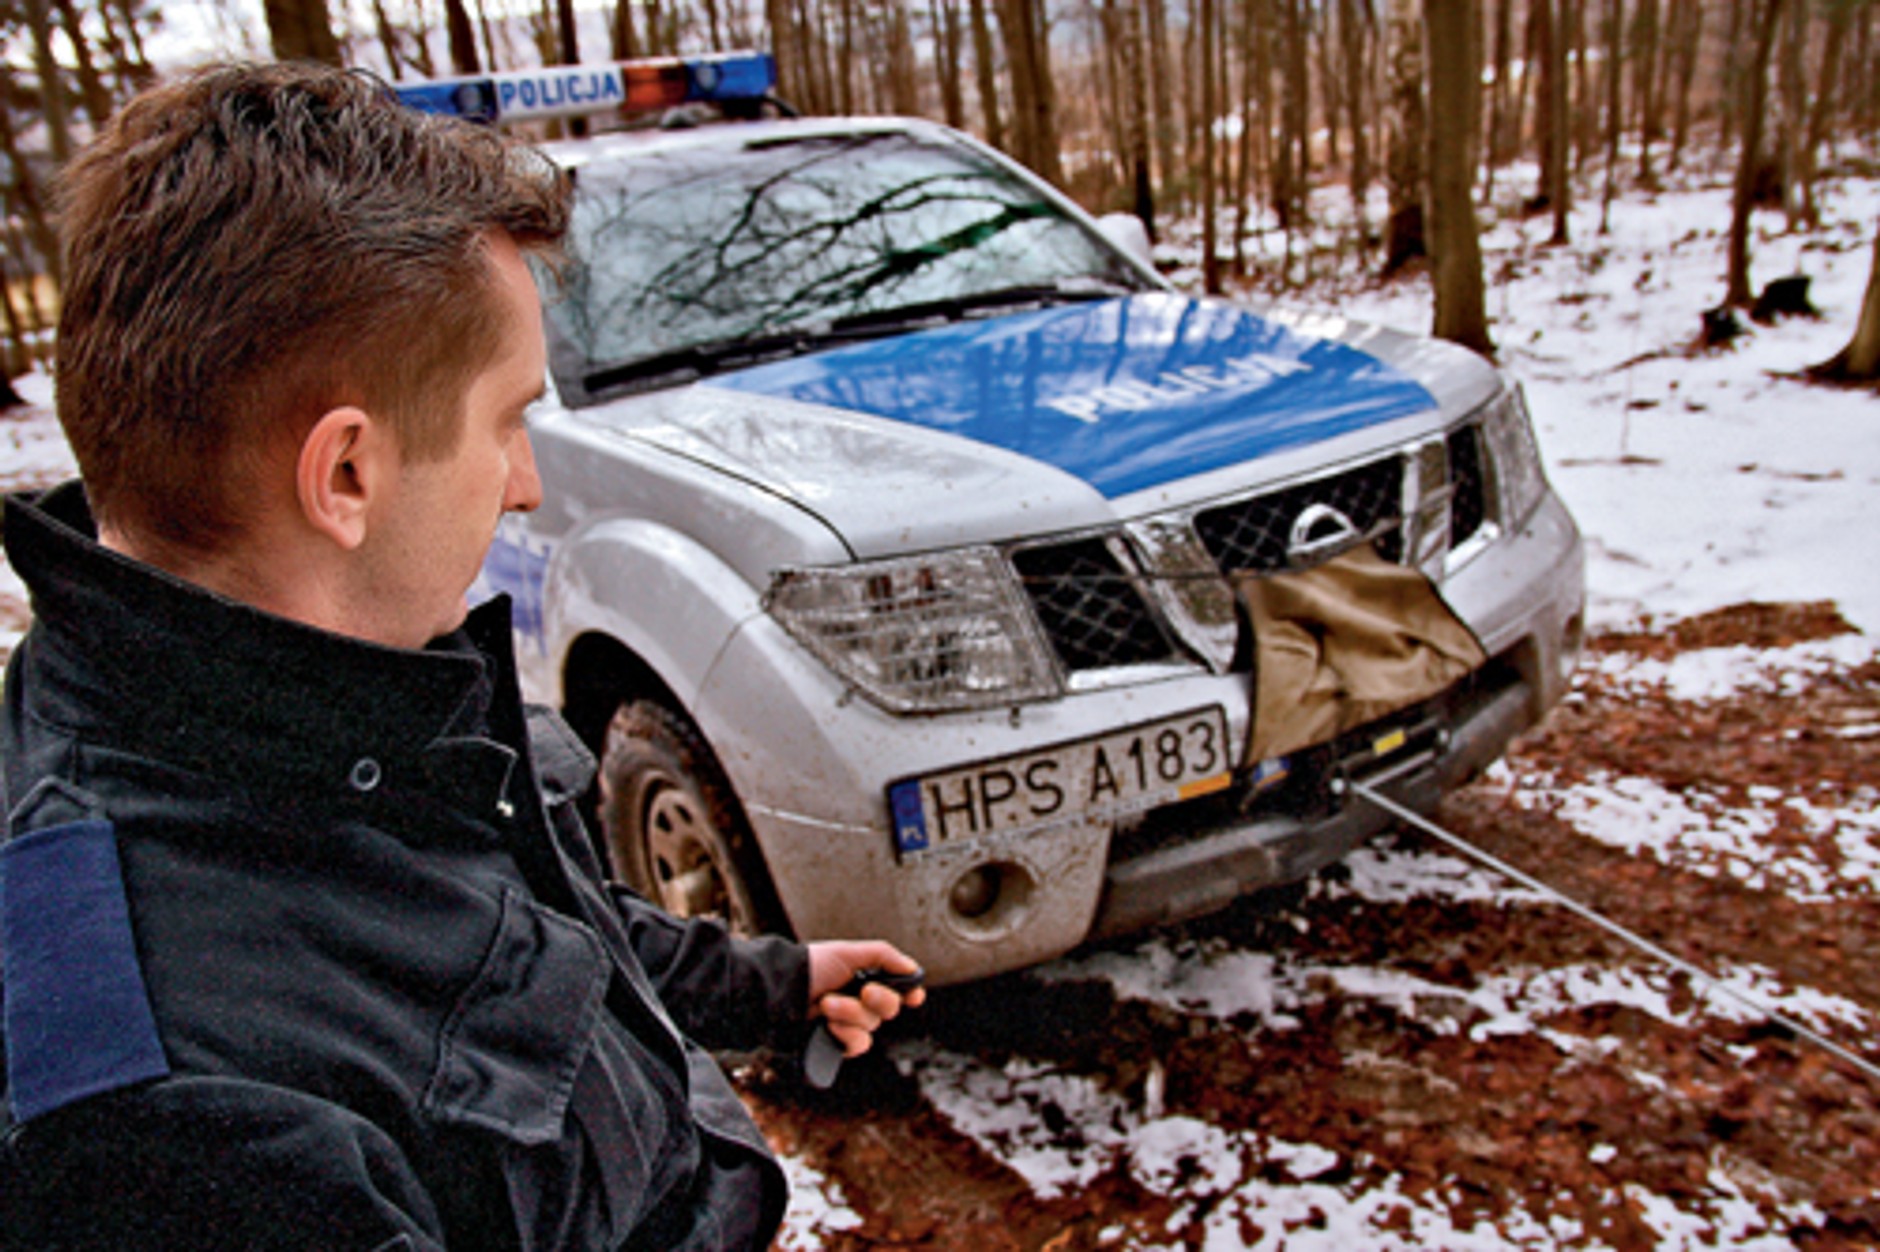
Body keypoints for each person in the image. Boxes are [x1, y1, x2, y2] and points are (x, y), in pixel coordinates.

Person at [0, 61, 924, 1250]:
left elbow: (527, 928)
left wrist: (771, 983)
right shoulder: (170, 1126)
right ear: (346, 473)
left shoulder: (343, 702)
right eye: (506, 419)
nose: (525, 484)